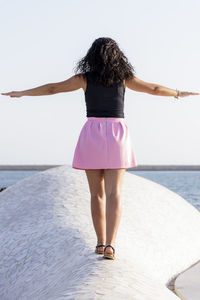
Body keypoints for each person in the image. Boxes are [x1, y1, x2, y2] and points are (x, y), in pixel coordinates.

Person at [1, 37, 199, 260]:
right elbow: (153, 89)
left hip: (92, 134)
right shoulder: (124, 78)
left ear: (92, 56)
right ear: (118, 56)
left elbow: (52, 89)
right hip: (117, 134)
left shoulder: (84, 78)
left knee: (97, 195)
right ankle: (111, 246)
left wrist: (22, 92)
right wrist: (179, 93)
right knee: (115, 194)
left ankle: (99, 243)